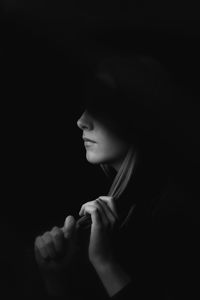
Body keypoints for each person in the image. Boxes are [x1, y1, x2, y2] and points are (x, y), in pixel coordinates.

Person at [34, 54, 199, 299]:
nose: (82, 121)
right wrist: (54, 275)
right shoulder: (117, 211)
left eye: (102, 107)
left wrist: (104, 263)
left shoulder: (178, 215)